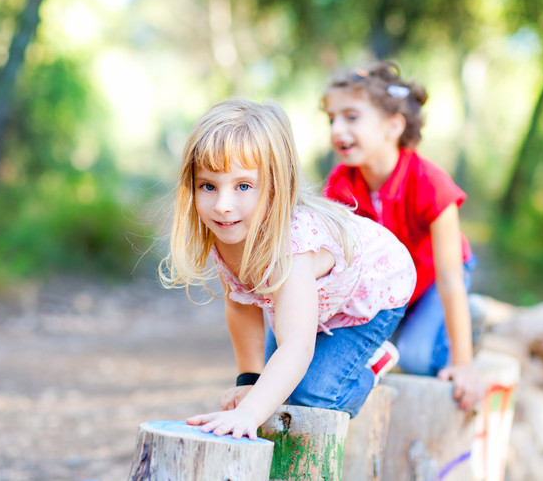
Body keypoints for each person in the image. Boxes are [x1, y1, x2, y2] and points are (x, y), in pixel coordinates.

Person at [160, 98, 416, 440]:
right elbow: (240, 304)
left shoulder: (292, 247)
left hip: (374, 290)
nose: (222, 205)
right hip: (313, 298)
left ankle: (374, 362)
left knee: (313, 398)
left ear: (276, 187)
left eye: (243, 186)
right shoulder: (227, 229)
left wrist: (248, 414)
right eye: (208, 186)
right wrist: (249, 381)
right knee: (274, 390)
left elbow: (296, 346)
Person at [321, 61, 481, 411]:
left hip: (437, 281)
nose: (336, 129)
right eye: (331, 118)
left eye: (350, 117)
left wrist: (464, 365)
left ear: (394, 125)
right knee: (366, 353)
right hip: (388, 289)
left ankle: (469, 321)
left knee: (417, 357)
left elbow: (450, 278)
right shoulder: (340, 184)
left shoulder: (430, 184)